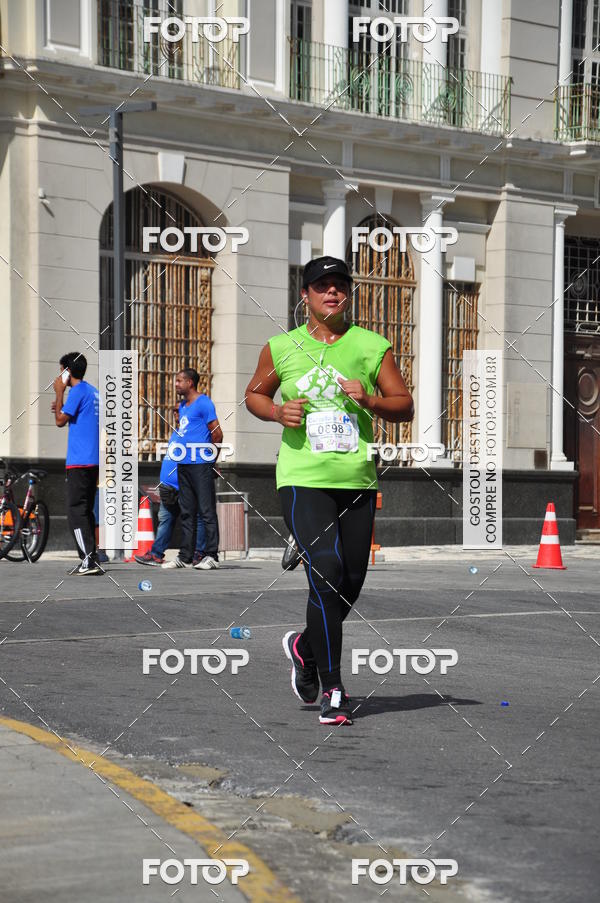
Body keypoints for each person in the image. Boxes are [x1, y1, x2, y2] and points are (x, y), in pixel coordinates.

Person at [245, 256, 414, 725]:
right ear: (306, 295)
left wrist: (371, 400)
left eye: (340, 285)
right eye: (322, 286)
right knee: (325, 567)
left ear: (348, 293)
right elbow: (255, 394)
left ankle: (304, 644)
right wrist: (277, 413)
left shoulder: (371, 345)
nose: (332, 293)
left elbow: (405, 405)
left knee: (350, 582)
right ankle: (333, 687)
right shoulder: (281, 347)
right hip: (302, 477)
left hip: (356, 478)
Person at [162, 368, 222, 570]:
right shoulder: (182, 406)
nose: (176, 384)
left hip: (200, 465)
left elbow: (217, 433)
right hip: (183, 464)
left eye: (180, 381)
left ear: (190, 383)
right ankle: (185, 556)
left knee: (206, 511)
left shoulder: (204, 402)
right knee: (187, 512)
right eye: (176, 380)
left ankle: (211, 556)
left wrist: (211, 461)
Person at [52, 352, 102, 576]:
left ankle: (88, 561)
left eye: (61, 370)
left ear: (67, 371)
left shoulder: (76, 391)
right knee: (86, 510)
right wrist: (62, 403)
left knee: (75, 511)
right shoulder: (92, 391)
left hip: (79, 461)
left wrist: (59, 392)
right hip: (92, 461)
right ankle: (90, 557)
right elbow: (71, 415)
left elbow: (60, 421)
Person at [135, 428, 206, 567]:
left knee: (197, 519)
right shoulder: (176, 432)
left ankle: (199, 554)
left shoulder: (198, 430)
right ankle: (156, 554)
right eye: (175, 411)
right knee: (165, 519)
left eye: (178, 410)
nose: (176, 414)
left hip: (186, 486)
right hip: (168, 487)